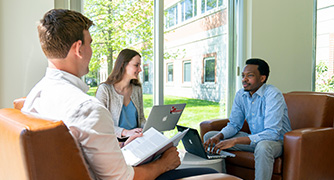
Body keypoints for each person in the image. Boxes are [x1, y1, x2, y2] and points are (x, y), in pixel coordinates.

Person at [22, 9, 217, 180]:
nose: (91, 50)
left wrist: (121, 147)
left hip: (107, 161)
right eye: (90, 43)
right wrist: (164, 163)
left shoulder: (34, 97)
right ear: (78, 48)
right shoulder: (88, 108)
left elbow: (85, 153)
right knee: (215, 176)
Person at [203, 58, 292, 180]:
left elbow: (272, 133)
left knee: (263, 147)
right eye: (243, 75)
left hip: (277, 142)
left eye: (250, 76)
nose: (244, 80)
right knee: (210, 137)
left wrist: (235, 141)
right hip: (255, 139)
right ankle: (222, 177)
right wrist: (219, 136)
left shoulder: (273, 94)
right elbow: (234, 124)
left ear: (262, 78)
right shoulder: (241, 94)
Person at [95, 49, 145, 139]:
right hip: (114, 141)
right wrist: (125, 132)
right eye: (136, 65)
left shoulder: (137, 89)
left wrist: (150, 127)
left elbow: (141, 118)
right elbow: (99, 122)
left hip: (136, 139)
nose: (140, 69)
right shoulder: (105, 90)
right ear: (123, 65)